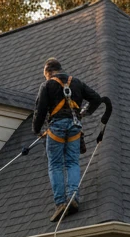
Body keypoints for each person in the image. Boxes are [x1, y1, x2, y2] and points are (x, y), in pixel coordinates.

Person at [32, 58, 104, 222]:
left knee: (56, 165)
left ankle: (60, 203)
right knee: (72, 162)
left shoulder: (47, 85)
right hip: (74, 127)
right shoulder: (76, 82)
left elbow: (40, 110)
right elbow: (96, 98)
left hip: (56, 128)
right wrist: (84, 112)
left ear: (48, 72)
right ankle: (73, 197)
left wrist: (36, 131)